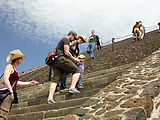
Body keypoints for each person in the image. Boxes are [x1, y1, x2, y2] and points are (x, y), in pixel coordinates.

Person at [0, 49, 39, 120]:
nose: (22, 59)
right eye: (21, 58)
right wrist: (10, 90)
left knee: (5, 114)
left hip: (10, 94)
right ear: (17, 59)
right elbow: (5, 79)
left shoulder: (15, 69)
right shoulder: (9, 66)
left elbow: (16, 82)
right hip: (7, 94)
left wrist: (29, 83)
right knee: (2, 114)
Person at [47, 31, 81, 103]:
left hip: (55, 62)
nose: (73, 39)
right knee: (77, 71)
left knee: (55, 80)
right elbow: (67, 52)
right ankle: (72, 87)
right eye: (73, 38)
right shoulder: (66, 40)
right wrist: (74, 59)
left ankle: (50, 98)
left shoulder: (62, 41)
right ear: (71, 35)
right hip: (61, 59)